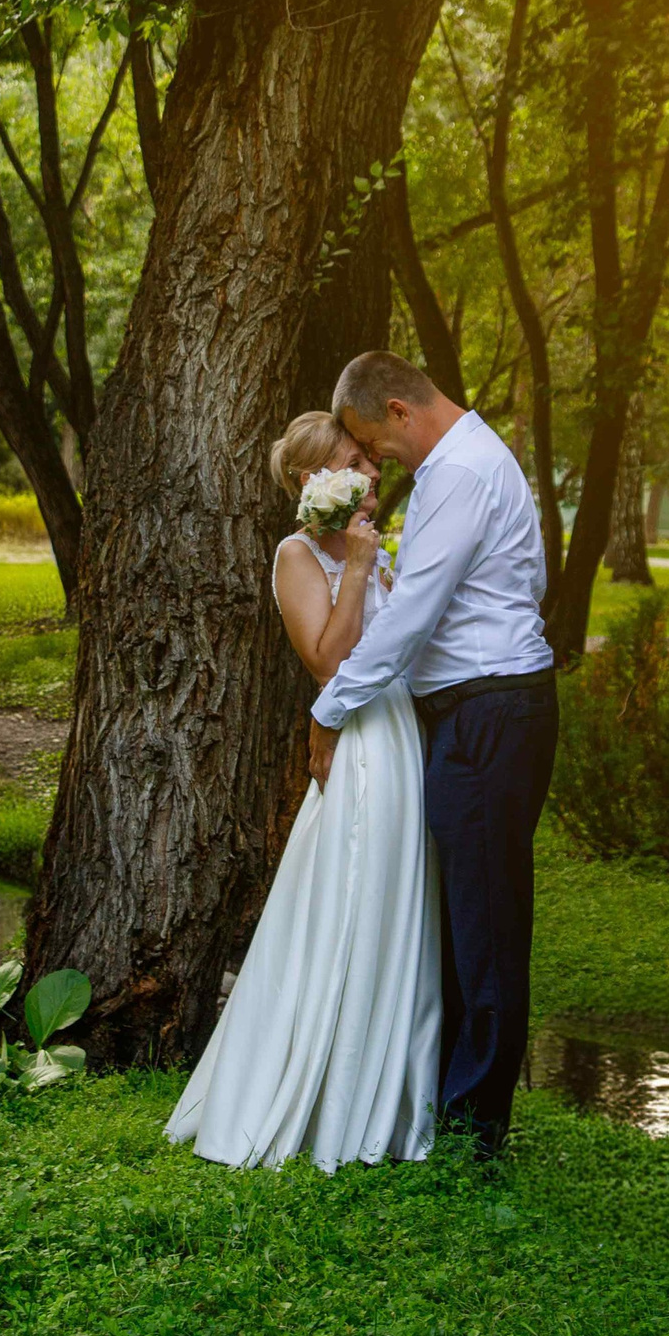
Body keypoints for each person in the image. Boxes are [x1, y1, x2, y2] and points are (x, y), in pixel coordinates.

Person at [163, 411, 439, 1171]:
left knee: (394, 900)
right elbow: (328, 662)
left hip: (402, 731)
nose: (374, 471)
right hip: (361, 742)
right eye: (358, 460)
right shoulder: (296, 556)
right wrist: (356, 564)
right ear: (317, 476)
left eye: (371, 460)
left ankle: (390, 1090)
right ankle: (323, 1094)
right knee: (351, 893)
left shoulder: (368, 544)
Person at [310, 352, 556, 1160]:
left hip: (489, 712)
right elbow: (530, 582)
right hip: (479, 709)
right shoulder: (478, 458)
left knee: (485, 928)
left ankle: (471, 1140)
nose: (375, 460)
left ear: (398, 409)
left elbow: (412, 615)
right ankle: (450, 1114)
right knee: (464, 920)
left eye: (372, 441)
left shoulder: (458, 472)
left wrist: (330, 708)